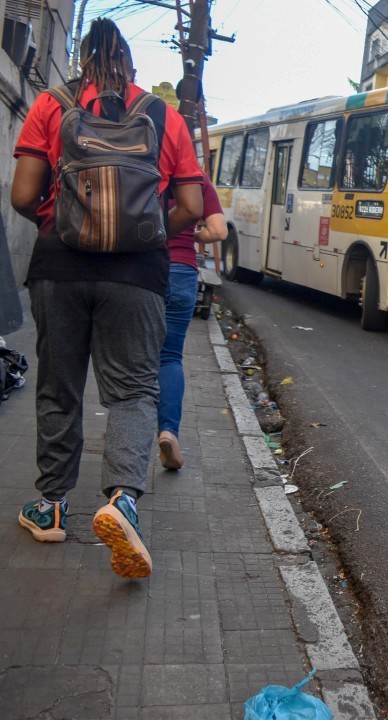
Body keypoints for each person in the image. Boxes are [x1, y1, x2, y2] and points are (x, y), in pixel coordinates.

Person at [11, 18, 203, 578]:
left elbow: (24, 193)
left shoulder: (51, 104)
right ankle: (122, 502)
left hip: (60, 267)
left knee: (59, 386)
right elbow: (190, 206)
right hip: (137, 274)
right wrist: (140, 233)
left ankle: (49, 507)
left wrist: (59, 222)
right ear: (130, 66)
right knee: (134, 392)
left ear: (83, 62)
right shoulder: (164, 116)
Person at [157, 172, 227, 470]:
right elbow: (219, 231)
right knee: (170, 357)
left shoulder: (139, 164)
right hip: (182, 273)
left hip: (141, 271)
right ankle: (169, 431)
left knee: (132, 359)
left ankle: (125, 427)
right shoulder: (196, 179)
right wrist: (194, 236)